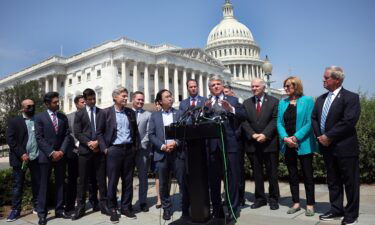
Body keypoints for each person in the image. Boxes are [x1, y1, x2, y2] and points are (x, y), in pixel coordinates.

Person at [312, 66, 361, 225]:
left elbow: (348, 121)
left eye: (326, 78)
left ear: (337, 79)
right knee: (333, 181)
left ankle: (351, 214)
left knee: (350, 182)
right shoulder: (320, 99)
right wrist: (320, 136)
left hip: (345, 148)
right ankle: (336, 209)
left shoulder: (351, 97)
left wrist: (329, 136)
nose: (323, 80)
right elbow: (314, 119)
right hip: (327, 148)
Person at [204, 75, 246, 220]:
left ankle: (232, 210)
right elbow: (201, 122)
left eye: (218, 84)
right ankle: (217, 210)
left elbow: (243, 115)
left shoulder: (233, 100)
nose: (216, 86)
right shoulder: (206, 102)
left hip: (229, 145)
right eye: (213, 85)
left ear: (222, 86)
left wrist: (231, 109)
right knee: (214, 181)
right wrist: (205, 111)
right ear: (209, 88)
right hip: (213, 147)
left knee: (232, 179)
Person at [96, 87, 139, 223]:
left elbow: (135, 131)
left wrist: (135, 147)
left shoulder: (130, 112)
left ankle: (126, 207)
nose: (126, 98)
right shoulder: (106, 113)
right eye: (123, 96)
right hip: (114, 150)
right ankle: (112, 208)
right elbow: (99, 133)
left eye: (126, 96)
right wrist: (105, 149)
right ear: (115, 97)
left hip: (129, 150)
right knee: (113, 181)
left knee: (128, 181)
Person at [277, 77, 317, 216]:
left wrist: (295, 137)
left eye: (288, 86)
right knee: (292, 175)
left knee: (307, 175)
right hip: (287, 144)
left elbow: (309, 122)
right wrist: (285, 138)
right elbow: (279, 123)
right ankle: (296, 203)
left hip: (303, 143)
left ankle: (310, 204)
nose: (285, 88)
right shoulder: (282, 103)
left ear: (296, 86)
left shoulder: (307, 101)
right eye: (285, 86)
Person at [148, 89, 190, 221]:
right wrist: (162, 146)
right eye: (167, 97)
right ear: (160, 101)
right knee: (163, 184)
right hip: (162, 154)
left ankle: (185, 209)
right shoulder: (154, 116)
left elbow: (184, 132)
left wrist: (176, 143)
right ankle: (167, 208)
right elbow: (151, 135)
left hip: (177, 153)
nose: (170, 98)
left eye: (171, 96)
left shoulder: (179, 113)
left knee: (183, 182)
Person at [242, 78, 280, 210]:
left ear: (263, 87)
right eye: (252, 86)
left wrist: (265, 134)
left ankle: (274, 198)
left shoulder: (274, 101)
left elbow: (275, 120)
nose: (254, 88)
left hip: (269, 143)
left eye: (257, 86)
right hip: (253, 143)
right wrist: (253, 134)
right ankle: (260, 198)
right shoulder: (246, 103)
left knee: (272, 173)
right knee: (257, 173)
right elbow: (244, 121)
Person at [72, 89, 109, 220]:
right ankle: (80, 208)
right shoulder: (79, 114)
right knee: (83, 181)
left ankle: (103, 205)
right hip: (85, 152)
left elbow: (105, 131)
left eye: (94, 98)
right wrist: (89, 143)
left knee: (101, 180)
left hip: (99, 152)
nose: (93, 101)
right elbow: (77, 133)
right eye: (90, 99)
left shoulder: (101, 112)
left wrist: (98, 143)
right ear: (85, 99)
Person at [35, 92, 71, 225]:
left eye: (58, 101)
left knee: (60, 183)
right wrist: (51, 152)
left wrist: (61, 150)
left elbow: (67, 135)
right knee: (44, 185)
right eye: (55, 102)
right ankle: (42, 214)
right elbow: (39, 138)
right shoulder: (39, 118)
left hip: (61, 156)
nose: (58, 104)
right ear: (47, 104)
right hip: (46, 156)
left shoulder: (63, 117)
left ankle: (59, 209)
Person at [6, 99, 40, 222]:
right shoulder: (14, 121)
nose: (32, 108)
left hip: (36, 157)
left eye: (33, 105)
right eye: (29, 106)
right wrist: (22, 154)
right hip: (20, 159)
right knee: (17, 185)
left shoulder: (38, 120)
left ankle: (37, 205)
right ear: (23, 108)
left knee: (37, 183)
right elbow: (10, 140)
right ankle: (15, 210)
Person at [132, 91, 152, 212]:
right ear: (133, 99)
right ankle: (127, 202)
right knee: (127, 178)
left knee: (143, 178)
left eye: (142, 100)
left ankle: (143, 202)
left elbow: (149, 133)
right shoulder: (127, 113)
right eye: (138, 99)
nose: (140, 102)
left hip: (142, 150)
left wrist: (140, 145)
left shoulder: (148, 114)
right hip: (128, 150)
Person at [64, 95, 84, 214]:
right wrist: (77, 143)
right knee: (72, 180)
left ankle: (86, 202)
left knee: (86, 180)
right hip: (73, 152)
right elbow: (68, 133)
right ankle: (70, 205)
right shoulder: (69, 117)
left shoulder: (90, 116)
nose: (85, 103)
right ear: (76, 104)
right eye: (82, 102)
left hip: (87, 152)